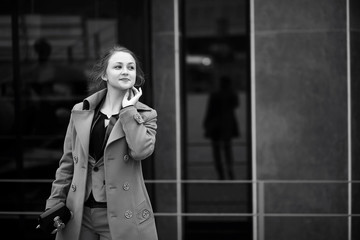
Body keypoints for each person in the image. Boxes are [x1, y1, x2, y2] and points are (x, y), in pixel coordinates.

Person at [44, 45, 158, 240]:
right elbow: (68, 162)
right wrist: (54, 203)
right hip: (79, 213)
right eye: (118, 67)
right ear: (104, 75)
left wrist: (129, 111)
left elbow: (141, 151)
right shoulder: (81, 110)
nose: (125, 71)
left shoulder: (145, 114)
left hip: (123, 214)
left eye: (131, 68)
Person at [203, 76, 239, 180]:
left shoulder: (215, 95)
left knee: (217, 152)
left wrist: (206, 124)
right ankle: (229, 172)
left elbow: (209, 111)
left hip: (215, 127)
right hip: (227, 126)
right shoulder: (231, 95)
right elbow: (236, 104)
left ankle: (221, 174)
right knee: (227, 150)